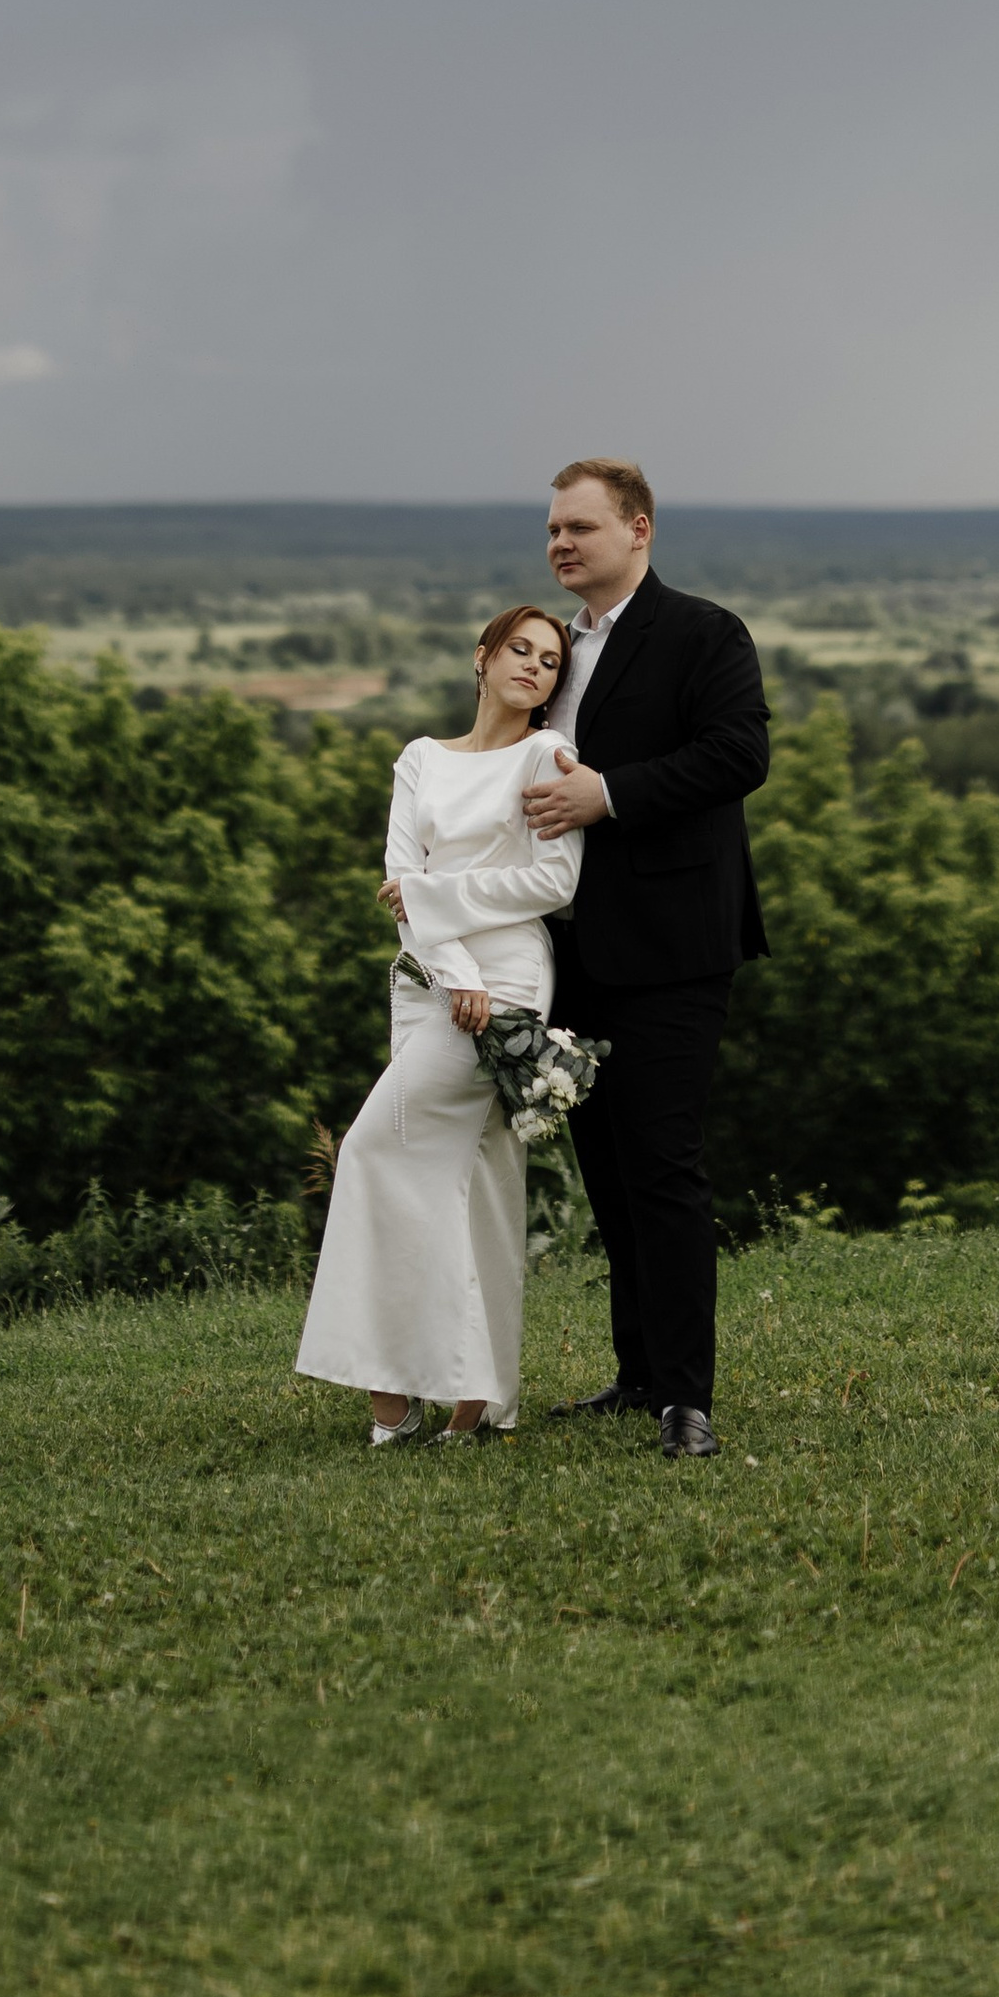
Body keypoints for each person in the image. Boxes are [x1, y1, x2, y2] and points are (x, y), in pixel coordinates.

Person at [520, 458, 770, 1458]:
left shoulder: (704, 634)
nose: (561, 544)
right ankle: (634, 1376)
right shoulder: (545, 652)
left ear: (639, 531)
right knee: (608, 1172)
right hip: (566, 951)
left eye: (580, 527)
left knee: (663, 1169)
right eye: (551, 530)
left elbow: (738, 756)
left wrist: (608, 795)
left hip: (671, 950)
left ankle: (687, 1402)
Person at [294, 605, 583, 1441]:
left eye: (552, 661)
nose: (535, 667)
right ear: (483, 658)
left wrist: (439, 909)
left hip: (510, 980)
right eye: (520, 650)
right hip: (430, 982)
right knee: (476, 1182)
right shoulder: (421, 759)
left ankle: (393, 1393)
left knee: (374, 1149)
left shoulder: (547, 756)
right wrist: (450, 967)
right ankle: (478, 1397)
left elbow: (551, 882)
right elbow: (399, 877)